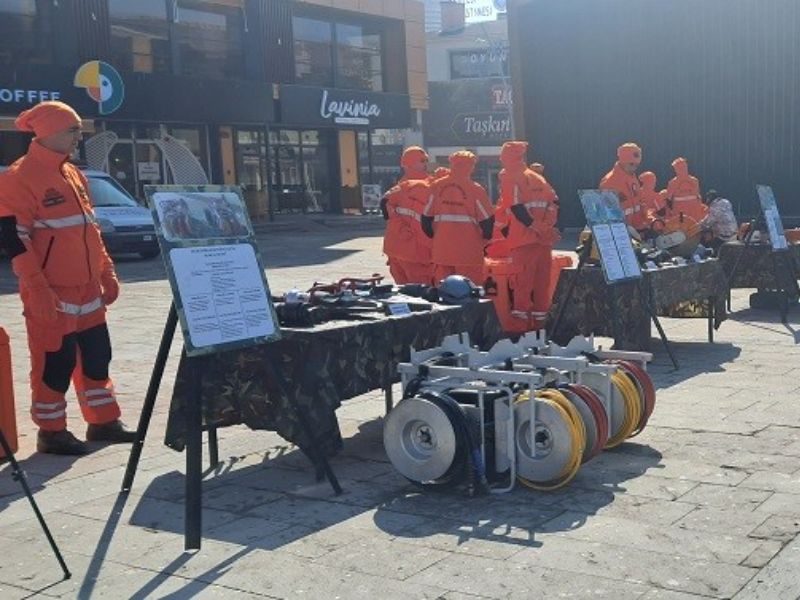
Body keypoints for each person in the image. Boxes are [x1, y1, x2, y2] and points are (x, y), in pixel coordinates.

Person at [0, 101, 135, 455]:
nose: (79, 136)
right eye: (72, 129)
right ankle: (51, 431)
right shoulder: (18, 178)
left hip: (87, 287)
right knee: (53, 362)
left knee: (96, 356)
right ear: (47, 132)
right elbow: (16, 242)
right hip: (51, 292)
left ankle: (103, 421)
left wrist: (107, 272)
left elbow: (91, 232)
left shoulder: (73, 173)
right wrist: (37, 288)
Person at [497, 141, 560, 328]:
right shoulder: (538, 178)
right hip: (543, 242)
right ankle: (540, 328)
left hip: (523, 241)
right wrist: (546, 228)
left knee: (521, 286)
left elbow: (516, 208)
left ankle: (520, 331)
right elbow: (554, 204)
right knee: (542, 285)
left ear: (507, 157)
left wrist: (536, 227)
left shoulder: (511, 177)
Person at [421, 151, 494, 284]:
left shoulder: (436, 186)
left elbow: (425, 219)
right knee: (469, 292)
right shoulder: (475, 189)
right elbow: (488, 223)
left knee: (444, 293)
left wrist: (437, 238)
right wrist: (484, 241)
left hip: (442, 252)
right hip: (468, 252)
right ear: (471, 167)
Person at [380, 146, 432, 284]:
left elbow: (384, 206)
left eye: (426, 160)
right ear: (409, 164)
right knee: (421, 294)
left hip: (397, 250)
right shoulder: (428, 186)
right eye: (422, 161)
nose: (425, 164)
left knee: (404, 293)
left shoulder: (398, 188)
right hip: (415, 253)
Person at [599, 143, 647, 229]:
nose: (635, 167)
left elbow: (639, 203)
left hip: (637, 229)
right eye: (631, 164)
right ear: (623, 161)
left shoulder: (633, 178)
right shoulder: (609, 182)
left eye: (637, 164)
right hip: (620, 231)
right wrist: (625, 228)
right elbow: (606, 212)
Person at [666, 157, 707, 222]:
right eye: (679, 168)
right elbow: (668, 201)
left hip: (694, 212)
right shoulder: (672, 183)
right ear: (675, 169)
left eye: (684, 167)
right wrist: (669, 215)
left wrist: (700, 211)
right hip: (680, 212)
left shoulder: (694, 181)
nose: (682, 169)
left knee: (694, 230)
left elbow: (698, 197)